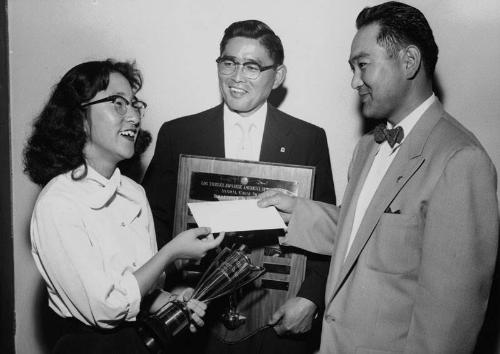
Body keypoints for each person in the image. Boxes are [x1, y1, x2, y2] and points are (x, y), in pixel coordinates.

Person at [258, 2, 499, 353]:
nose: (354, 81)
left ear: (409, 61)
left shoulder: (462, 161)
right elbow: (364, 233)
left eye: (363, 66)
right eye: (352, 68)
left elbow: (447, 331)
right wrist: (294, 210)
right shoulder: (368, 146)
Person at [142, 20, 335, 354]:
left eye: (252, 67)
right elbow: (152, 222)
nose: (235, 77)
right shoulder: (178, 134)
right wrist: (166, 292)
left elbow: (330, 227)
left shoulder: (309, 139)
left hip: (277, 320)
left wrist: (310, 299)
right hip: (195, 317)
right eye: (228, 63)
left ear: (278, 76)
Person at [24, 59, 224, 353]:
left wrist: (176, 303)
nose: (133, 117)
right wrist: (172, 252)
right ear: (78, 118)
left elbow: (142, 293)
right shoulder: (58, 203)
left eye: (134, 104)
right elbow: (107, 308)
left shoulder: (134, 192)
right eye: (118, 104)